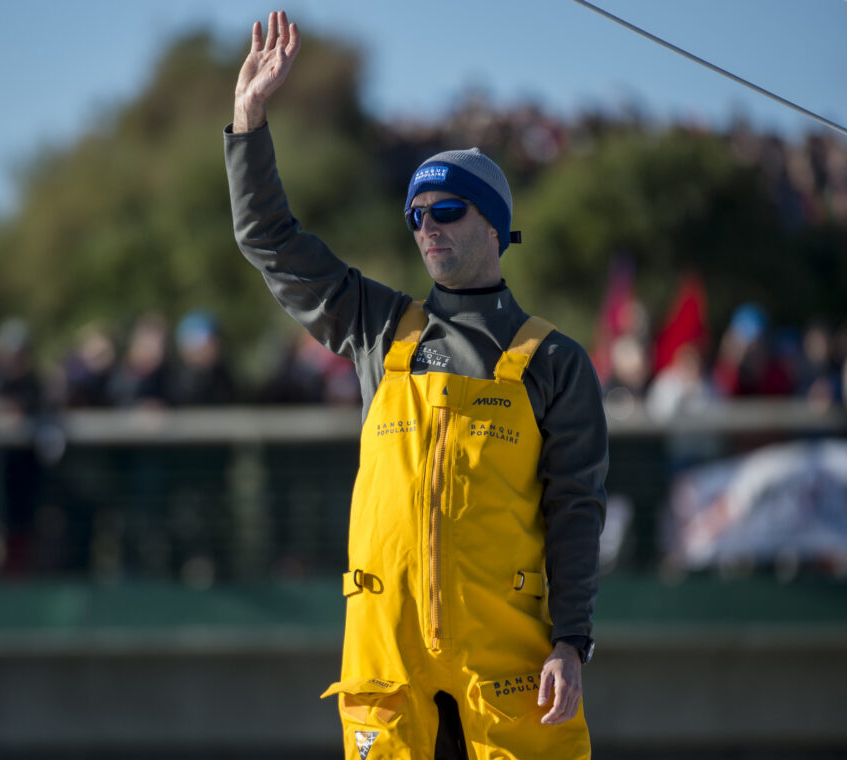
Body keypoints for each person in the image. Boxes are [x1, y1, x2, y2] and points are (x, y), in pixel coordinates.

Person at [225, 12, 607, 759]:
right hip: (388, 667)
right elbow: (268, 240)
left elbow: (576, 511)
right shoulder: (378, 327)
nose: (427, 226)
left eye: (447, 211)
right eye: (416, 216)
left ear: (494, 226)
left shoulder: (557, 362)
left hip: (505, 673)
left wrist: (571, 640)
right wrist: (248, 121)